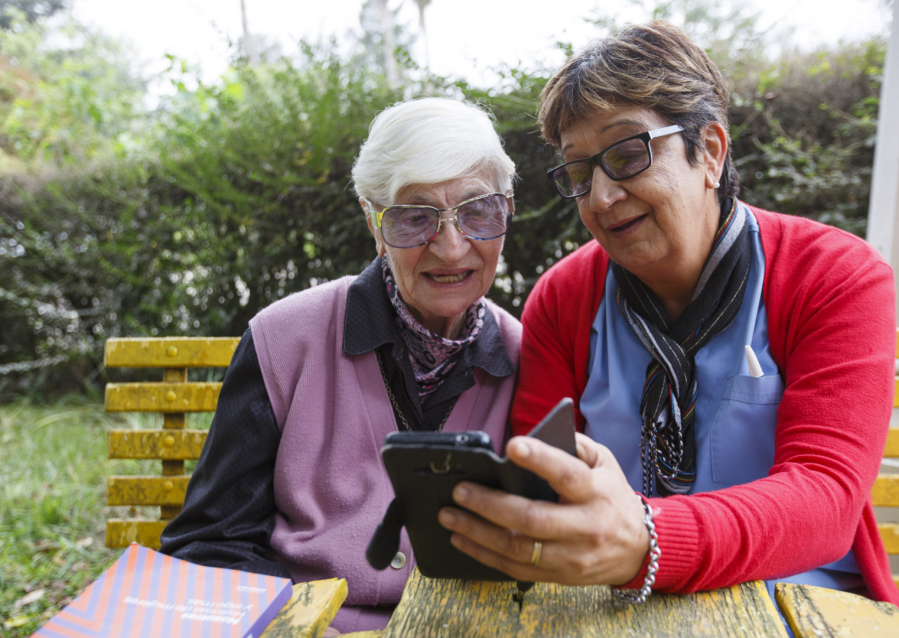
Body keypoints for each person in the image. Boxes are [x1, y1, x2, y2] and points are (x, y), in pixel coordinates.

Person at [437, 21, 899, 607]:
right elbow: (543, 476)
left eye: (628, 155)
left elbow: (825, 496)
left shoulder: (833, 276)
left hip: (802, 601)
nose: (602, 197)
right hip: (613, 603)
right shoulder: (564, 298)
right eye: (580, 173)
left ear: (709, 151)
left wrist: (648, 540)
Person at [160, 97, 522, 633]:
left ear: (507, 212)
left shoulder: (524, 355)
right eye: (414, 217)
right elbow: (210, 542)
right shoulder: (281, 340)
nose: (451, 247)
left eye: (478, 212)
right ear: (372, 220)